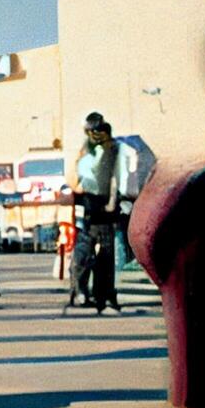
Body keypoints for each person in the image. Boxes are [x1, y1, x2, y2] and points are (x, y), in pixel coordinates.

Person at [71, 120, 121, 312]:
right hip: (90, 209)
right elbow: (80, 181)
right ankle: (85, 291)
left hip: (99, 209)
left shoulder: (110, 151)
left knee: (100, 254)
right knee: (87, 253)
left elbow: (114, 180)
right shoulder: (89, 151)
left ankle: (98, 293)